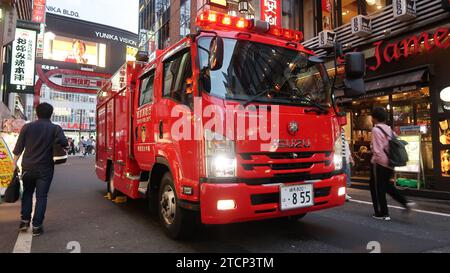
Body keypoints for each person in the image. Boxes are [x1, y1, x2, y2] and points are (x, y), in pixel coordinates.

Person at [13, 103, 68, 236]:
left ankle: (25, 221)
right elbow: (64, 143)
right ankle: (37, 226)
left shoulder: (27, 127)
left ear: (37, 113)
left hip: (28, 167)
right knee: (41, 196)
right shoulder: (55, 128)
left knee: (27, 193)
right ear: (51, 114)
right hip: (46, 168)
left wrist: (14, 164)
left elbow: (18, 148)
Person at [369, 107, 415, 221]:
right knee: (387, 186)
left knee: (377, 188)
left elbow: (377, 150)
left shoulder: (375, 130)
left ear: (374, 118)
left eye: (372, 117)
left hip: (380, 163)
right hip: (391, 162)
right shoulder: (389, 129)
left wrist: (376, 161)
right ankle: (406, 203)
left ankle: (382, 213)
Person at [342, 128, 354, 201]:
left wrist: (351, 159)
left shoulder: (345, 140)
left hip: (346, 160)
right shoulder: (337, 139)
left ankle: (345, 193)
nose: (343, 133)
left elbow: (347, 150)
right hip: (341, 160)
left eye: (343, 131)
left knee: (347, 176)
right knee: (344, 177)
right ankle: (344, 194)